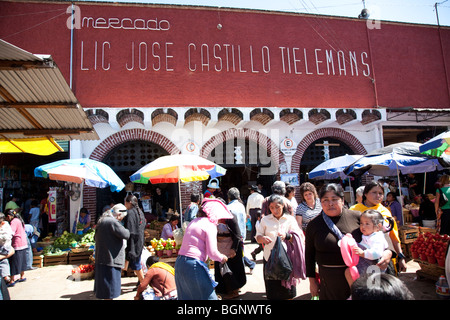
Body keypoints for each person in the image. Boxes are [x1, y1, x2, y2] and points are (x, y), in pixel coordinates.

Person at [305, 183, 393, 300]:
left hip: (359, 275)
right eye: (325, 200)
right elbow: (309, 255)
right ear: (320, 202)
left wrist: (388, 252)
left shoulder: (357, 217)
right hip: (330, 280)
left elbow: (379, 232)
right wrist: (312, 282)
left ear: (342, 200)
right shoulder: (314, 224)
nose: (330, 203)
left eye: (334, 199)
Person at [175, 198, 229, 300]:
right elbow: (212, 253)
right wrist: (222, 258)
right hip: (193, 265)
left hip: (180, 263)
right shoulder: (210, 225)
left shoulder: (194, 221)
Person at [255, 194, 305, 300]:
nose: (275, 210)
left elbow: (297, 237)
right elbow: (258, 236)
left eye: (277, 207)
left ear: (283, 205)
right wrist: (262, 239)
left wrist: (286, 236)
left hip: (286, 259)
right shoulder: (265, 220)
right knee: (273, 291)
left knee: (288, 292)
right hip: (270, 259)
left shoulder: (290, 219)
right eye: (272, 208)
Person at [350, 182, 407, 273]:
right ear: (365, 194)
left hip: (384, 260)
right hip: (362, 261)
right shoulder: (354, 210)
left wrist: (400, 257)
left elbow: (393, 236)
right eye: (374, 192)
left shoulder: (385, 212)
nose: (378, 196)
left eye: (380, 193)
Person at [94, 204, 130, 300]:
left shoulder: (102, 219)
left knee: (105, 287)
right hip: (110, 258)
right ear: (118, 215)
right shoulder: (112, 222)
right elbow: (126, 234)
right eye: (121, 218)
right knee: (110, 287)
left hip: (102, 257)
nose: (121, 220)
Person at [345, 209, 389, 288]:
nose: (363, 226)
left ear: (378, 226)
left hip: (374, 267)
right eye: (361, 223)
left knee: (373, 288)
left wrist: (363, 253)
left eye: (367, 224)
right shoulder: (367, 235)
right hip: (366, 267)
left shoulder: (377, 237)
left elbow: (377, 253)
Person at [215, 213, 246, 299]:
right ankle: (226, 290)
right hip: (220, 248)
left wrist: (233, 249)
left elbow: (237, 235)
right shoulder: (213, 219)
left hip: (231, 248)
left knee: (230, 270)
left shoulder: (230, 218)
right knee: (221, 271)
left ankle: (234, 291)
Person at [227, 188, 254, 277]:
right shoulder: (241, 206)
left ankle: (240, 277)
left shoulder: (228, 207)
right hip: (242, 235)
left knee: (237, 257)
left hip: (233, 236)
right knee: (240, 254)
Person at [124, 194, 146, 285]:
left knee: (136, 265)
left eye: (125, 202)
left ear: (129, 202)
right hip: (140, 240)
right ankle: (141, 283)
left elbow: (129, 229)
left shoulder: (130, 213)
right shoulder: (140, 212)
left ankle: (144, 284)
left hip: (133, 242)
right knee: (136, 262)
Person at [4, 209, 28, 286]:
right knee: (22, 261)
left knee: (13, 262)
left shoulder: (13, 222)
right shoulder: (19, 220)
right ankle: (22, 276)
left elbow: (11, 232)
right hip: (23, 242)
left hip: (16, 243)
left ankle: (11, 280)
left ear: (8, 216)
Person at [0, 212, 14, 287]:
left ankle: (5, 275)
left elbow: (7, 237)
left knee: (3, 261)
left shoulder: (5, 227)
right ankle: (5, 275)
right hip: (6, 247)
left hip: (5, 246)